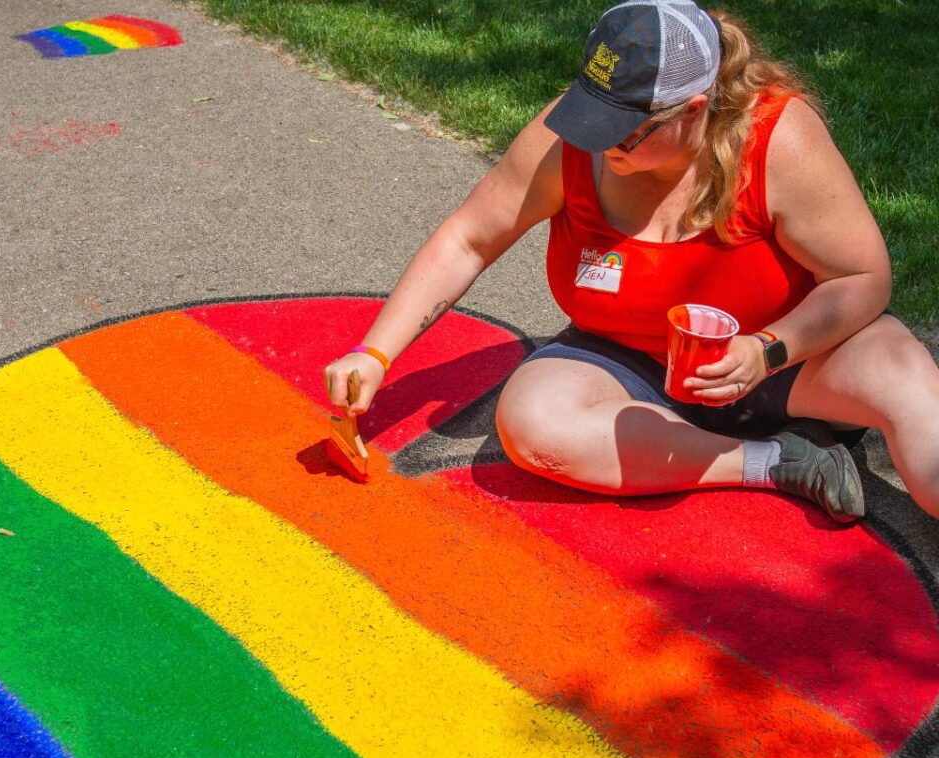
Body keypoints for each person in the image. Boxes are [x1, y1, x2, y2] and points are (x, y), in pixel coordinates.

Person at [323, 0, 939, 523]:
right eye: (591, 114)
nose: (596, 139)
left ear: (694, 109)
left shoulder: (779, 139)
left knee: (906, 383)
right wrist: (374, 353)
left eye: (622, 130)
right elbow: (469, 239)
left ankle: (759, 432)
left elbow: (864, 278)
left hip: (790, 358)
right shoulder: (570, 141)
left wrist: (769, 348)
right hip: (629, 360)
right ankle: (779, 460)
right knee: (534, 425)